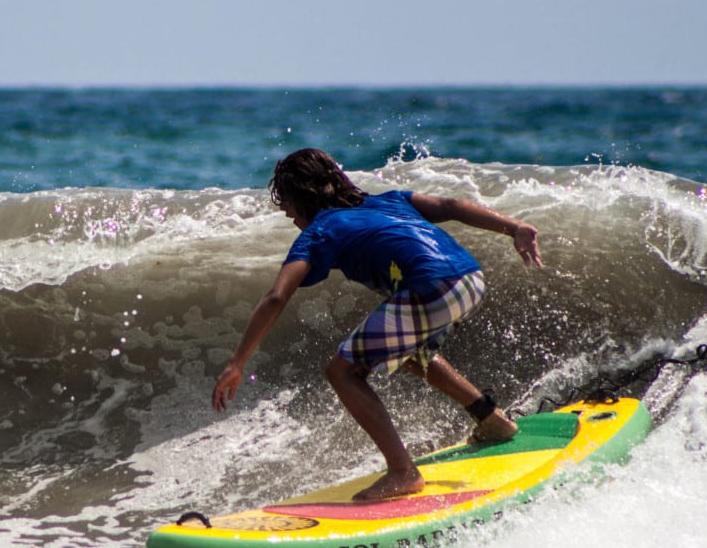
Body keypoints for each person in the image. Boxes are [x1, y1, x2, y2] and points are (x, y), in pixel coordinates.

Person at [211, 148, 544, 502]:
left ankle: (403, 471)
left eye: (288, 207)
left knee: (343, 372)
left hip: (429, 288)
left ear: (301, 198)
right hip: (469, 278)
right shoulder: (391, 201)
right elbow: (450, 206)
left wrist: (237, 362)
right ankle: (490, 418)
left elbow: (276, 297)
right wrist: (514, 227)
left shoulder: (320, 230)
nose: (290, 216)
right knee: (410, 351)